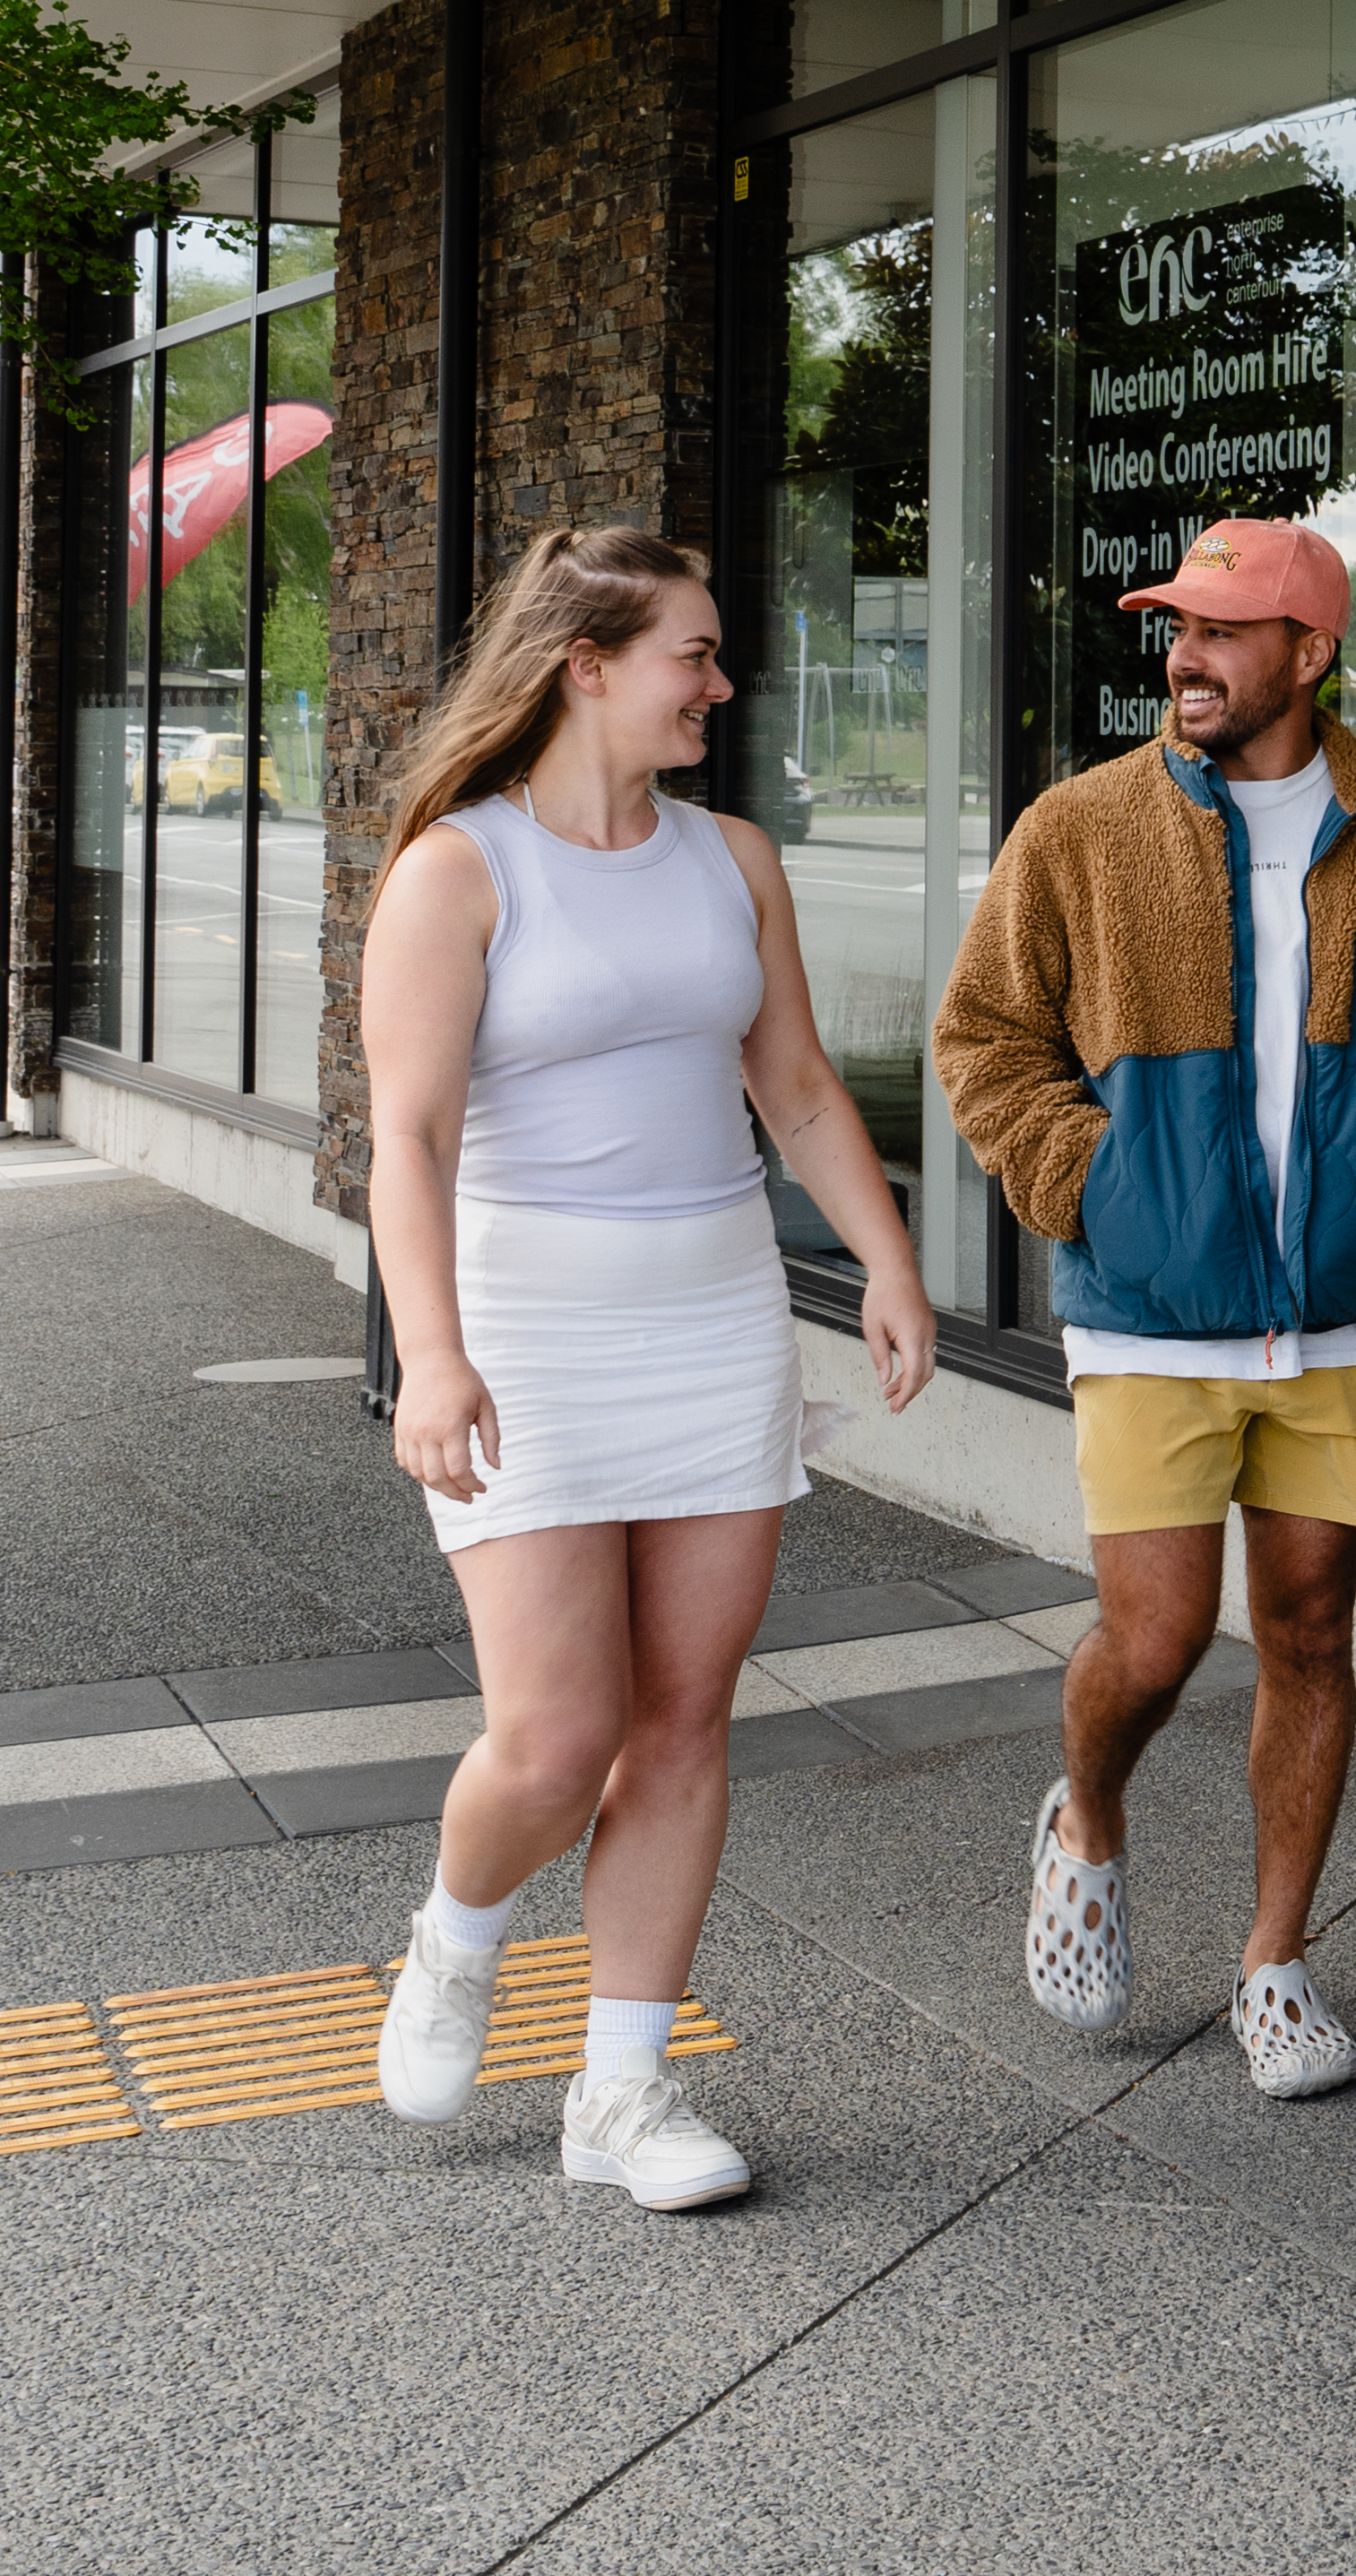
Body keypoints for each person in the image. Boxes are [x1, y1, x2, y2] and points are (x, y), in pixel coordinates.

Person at [361, 525, 937, 2209]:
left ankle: (619, 2092)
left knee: (682, 1721)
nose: (721, 683)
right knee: (556, 1736)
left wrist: (889, 1262)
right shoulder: (458, 872)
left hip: (713, 1324)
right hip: (526, 1337)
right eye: (694, 651)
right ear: (587, 663)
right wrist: (431, 1355)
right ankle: (458, 1933)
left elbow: (798, 1087)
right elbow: (407, 1137)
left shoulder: (731, 858)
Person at [930, 517, 1356, 2097]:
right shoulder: (1084, 827)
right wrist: (1093, 1182)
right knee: (1155, 1635)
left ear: (1309, 654)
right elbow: (983, 1036)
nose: (1183, 656)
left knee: (1310, 1627)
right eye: (1176, 627)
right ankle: (1087, 1816)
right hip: (1148, 1310)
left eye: (1219, 630)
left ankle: (1274, 1963)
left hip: (1342, 1315)